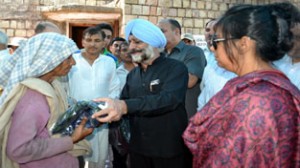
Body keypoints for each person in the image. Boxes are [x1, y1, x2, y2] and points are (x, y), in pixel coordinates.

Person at [183, 3, 300, 167]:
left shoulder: (257, 99)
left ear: (244, 43)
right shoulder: (255, 87)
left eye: (217, 40)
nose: (212, 48)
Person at [92, 18, 191, 168]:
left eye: (137, 42)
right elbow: (123, 104)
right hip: (138, 150)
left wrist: (124, 106)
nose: (131, 47)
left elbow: (168, 100)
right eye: (130, 42)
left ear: (154, 44)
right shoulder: (133, 75)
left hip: (168, 149)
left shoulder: (176, 68)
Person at [0, 33, 93, 168]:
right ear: (49, 60)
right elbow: (19, 149)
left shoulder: (53, 85)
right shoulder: (33, 99)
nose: (73, 62)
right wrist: (71, 140)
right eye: (67, 58)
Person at [68, 26, 120, 168]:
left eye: (97, 40)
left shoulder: (109, 62)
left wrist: (105, 109)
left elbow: (114, 88)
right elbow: (65, 87)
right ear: (82, 41)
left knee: (99, 158)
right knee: (75, 156)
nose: (92, 44)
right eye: (88, 40)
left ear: (104, 43)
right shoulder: (72, 61)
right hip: (75, 117)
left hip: (100, 117)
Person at [158, 18, 206, 119]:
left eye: (162, 31)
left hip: (186, 115)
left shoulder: (193, 52)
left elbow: (189, 81)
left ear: (176, 32)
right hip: (163, 116)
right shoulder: (159, 55)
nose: (158, 34)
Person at [197, 19, 236, 110]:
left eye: (218, 41)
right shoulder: (209, 66)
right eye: (207, 30)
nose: (210, 33)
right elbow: (203, 99)